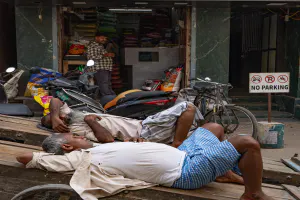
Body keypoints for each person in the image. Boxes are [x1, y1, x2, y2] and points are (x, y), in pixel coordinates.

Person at [16, 126, 274, 200]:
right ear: (67, 146)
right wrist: (48, 154)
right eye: (74, 136)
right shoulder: (78, 157)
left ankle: (225, 170)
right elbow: (26, 157)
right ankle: (253, 193)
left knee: (214, 127)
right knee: (247, 142)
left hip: (185, 154)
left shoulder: (99, 147)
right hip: (186, 172)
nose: (80, 135)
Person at [41, 97, 209, 148]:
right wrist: (91, 121)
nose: (61, 117)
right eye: (56, 120)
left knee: (205, 133)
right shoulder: (76, 130)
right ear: (57, 127)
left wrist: (54, 115)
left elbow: (54, 100)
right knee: (187, 107)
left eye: (59, 116)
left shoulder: (69, 114)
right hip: (143, 132)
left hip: (143, 124)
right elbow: (107, 140)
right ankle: (177, 142)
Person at [87, 32, 115, 97]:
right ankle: (108, 99)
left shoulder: (100, 46)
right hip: (99, 68)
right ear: (96, 37)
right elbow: (91, 57)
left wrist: (109, 55)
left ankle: (111, 97)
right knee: (104, 84)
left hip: (105, 68)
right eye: (102, 38)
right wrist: (106, 55)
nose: (104, 39)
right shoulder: (92, 46)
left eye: (105, 38)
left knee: (107, 84)